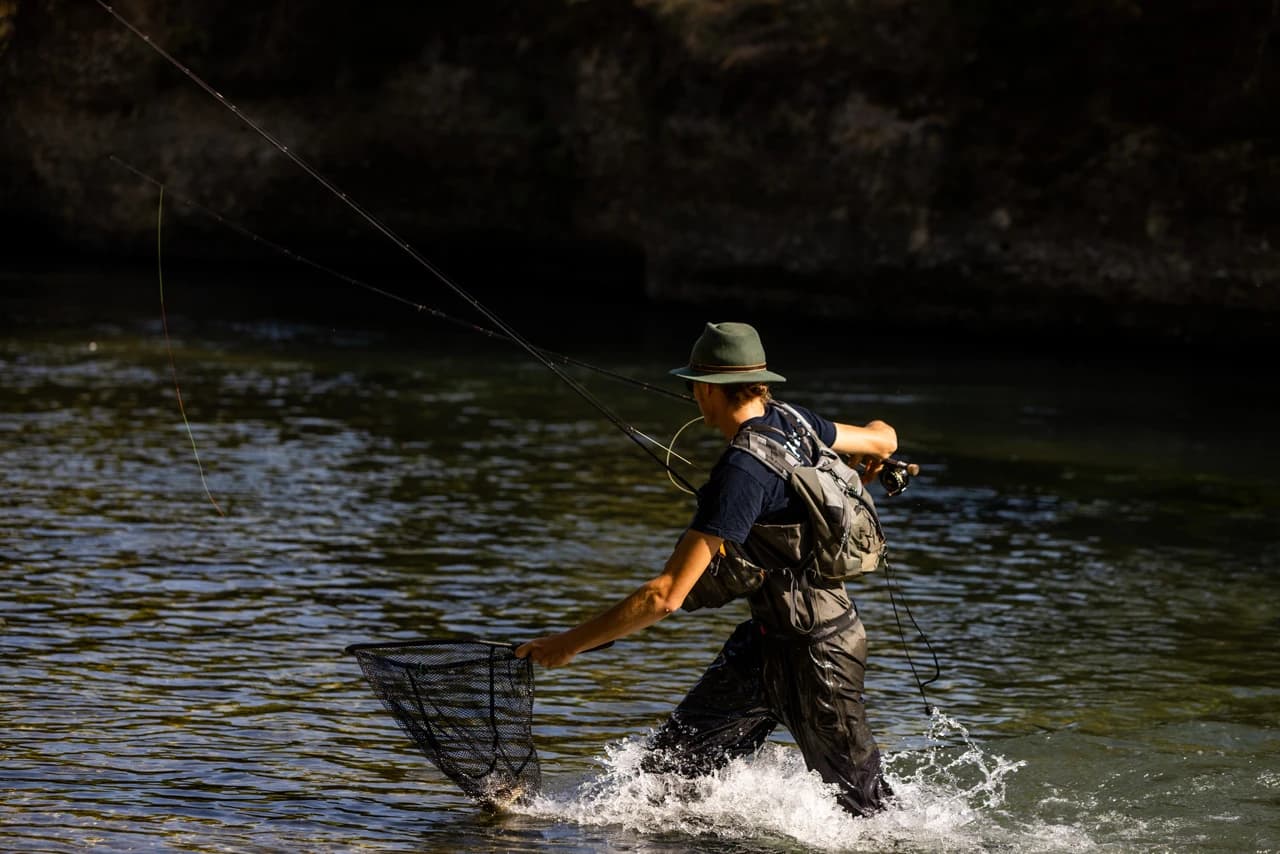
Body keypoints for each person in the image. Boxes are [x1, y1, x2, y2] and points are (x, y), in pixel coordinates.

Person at [515, 321, 897, 816]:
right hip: (763, 646)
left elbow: (666, 595)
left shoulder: (742, 472)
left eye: (693, 386)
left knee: (868, 816)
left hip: (821, 657)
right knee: (660, 786)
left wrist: (567, 645)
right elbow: (883, 439)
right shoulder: (799, 422)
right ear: (760, 382)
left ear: (704, 389)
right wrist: (879, 454)